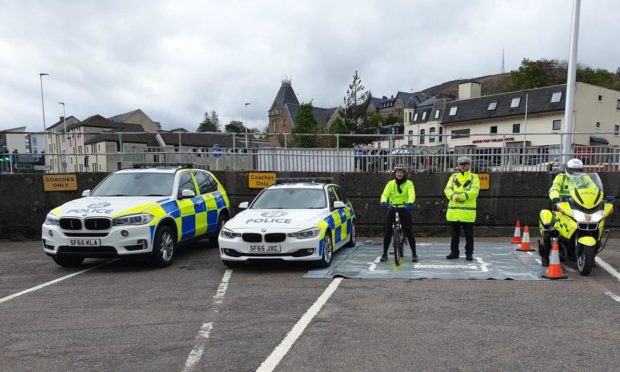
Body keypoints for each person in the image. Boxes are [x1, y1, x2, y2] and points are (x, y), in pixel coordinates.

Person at [541, 158, 595, 266]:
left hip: (579, 206)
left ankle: (590, 255)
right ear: (567, 169)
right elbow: (554, 189)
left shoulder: (585, 178)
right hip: (561, 206)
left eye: (578, 170)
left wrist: (600, 197)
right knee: (550, 228)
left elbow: (594, 189)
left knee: (593, 224)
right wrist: (556, 198)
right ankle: (545, 256)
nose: (575, 173)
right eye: (572, 170)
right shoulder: (561, 177)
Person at [444, 156, 480, 261]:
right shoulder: (453, 177)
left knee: (469, 236)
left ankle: (469, 253)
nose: (463, 166)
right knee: (455, 236)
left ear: (469, 165)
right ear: (458, 166)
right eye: (461, 164)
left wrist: (461, 197)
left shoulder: (474, 177)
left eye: (465, 164)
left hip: (467, 213)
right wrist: (455, 197)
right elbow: (447, 190)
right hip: (454, 212)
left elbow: (474, 191)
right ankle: (454, 252)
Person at [380, 165, 417, 262]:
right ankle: (384, 254)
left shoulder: (409, 183)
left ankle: (414, 254)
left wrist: (410, 203)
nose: (399, 174)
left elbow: (411, 194)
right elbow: (385, 194)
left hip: (404, 208)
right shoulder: (390, 183)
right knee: (388, 231)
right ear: (395, 173)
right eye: (397, 172)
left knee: (409, 231)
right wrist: (383, 201)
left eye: (401, 172)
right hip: (392, 207)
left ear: (404, 173)